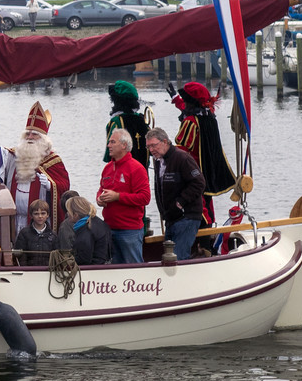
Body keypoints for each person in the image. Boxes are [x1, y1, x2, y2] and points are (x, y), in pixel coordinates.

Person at [0, 101, 71, 233]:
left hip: (39, 221)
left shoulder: (53, 161)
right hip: (14, 218)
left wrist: (50, 185)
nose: (30, 137)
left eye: (34, 134)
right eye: (27, 134)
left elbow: (64, 186)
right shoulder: (15, 155)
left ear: (43, 139)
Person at [169, 81, 236, 232]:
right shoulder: (210, 116)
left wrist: (162, 150)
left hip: (192, 173)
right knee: (207, 202)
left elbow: (181, 148)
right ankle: (209, 233)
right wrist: (176, 99)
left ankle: (203, 240)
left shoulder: (191, 123)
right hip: (208, 170)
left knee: (199, 208)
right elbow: (189, 108)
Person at [145, 126, 205, 260]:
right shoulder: (158, 161)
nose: (151, 150)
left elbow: (199, 182)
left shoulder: (182, 158)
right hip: (171, 218)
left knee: (177, 258)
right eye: (148, 147)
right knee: (168, 256)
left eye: (154, 145)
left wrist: (180, 202)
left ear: (165, 142)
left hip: (187, 217)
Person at [97, 128, 151, 264]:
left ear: (124, 145)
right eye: (109, 142)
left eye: (112, 142)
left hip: (130, 231)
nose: (108, 145)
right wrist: (99, 199)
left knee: (134, 270)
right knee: (114, 270)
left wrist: (118, 197)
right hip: (109, 229)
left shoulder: (137, 168)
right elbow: (101, 189)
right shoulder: (107, 168)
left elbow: (145, 198)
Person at [103, 80, 151, 168]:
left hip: (123, 172)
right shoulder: (143, 120)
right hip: (142, 172)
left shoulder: (116, 122)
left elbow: (108, 155)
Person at [57, 195, 112, 265]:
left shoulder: (85, 232)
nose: (67, 214)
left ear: (75, 215)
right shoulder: (98, 222)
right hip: (104, 264)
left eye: (68, 211)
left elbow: (84, 259)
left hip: (93, 268)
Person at [13, 199, 56, 266]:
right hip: (29, 271)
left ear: (47, 215)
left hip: (48, 272)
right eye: (36, 214)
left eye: (43, 213)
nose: (40, 216)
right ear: (31, 215)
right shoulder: (24, 233)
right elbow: (20, 257)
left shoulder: (53, 235)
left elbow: (56, 257)